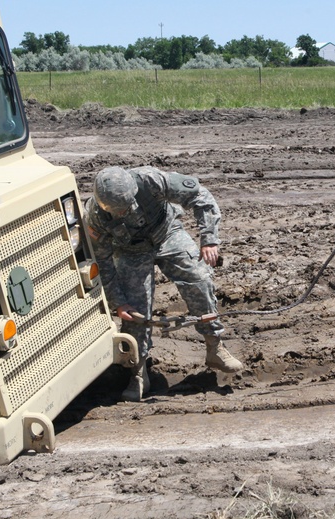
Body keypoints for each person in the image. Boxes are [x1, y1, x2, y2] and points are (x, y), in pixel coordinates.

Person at [84, 165, 243, 402]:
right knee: (134, 310)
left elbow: (200, 196)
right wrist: (118, 302)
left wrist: (209, 239)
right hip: (129, 251)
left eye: (127, 207)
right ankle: (138, 372)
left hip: (166, 232)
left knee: (199, 279)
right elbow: (104, 264)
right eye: (117, 211)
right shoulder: (94, 217)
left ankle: (215, 347)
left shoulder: (151, 180)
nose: (123, 214)